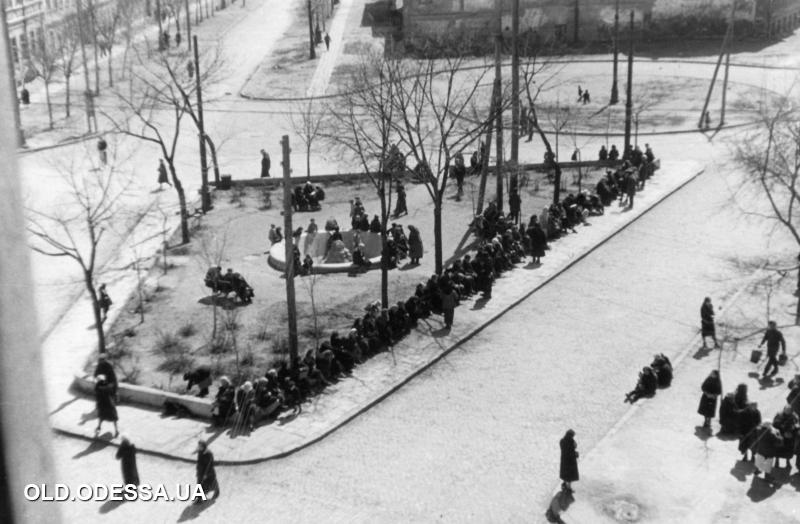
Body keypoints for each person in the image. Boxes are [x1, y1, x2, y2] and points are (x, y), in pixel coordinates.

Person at [559, 429, 579, 493]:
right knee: (569, 477)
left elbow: (567, 450)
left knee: (566, 476)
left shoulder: (562, 441)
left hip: (564, 461)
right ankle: (568, 489)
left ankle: (565, 486)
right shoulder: (570, 441)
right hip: (570, 462)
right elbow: (570, 452)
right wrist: (575, 454)